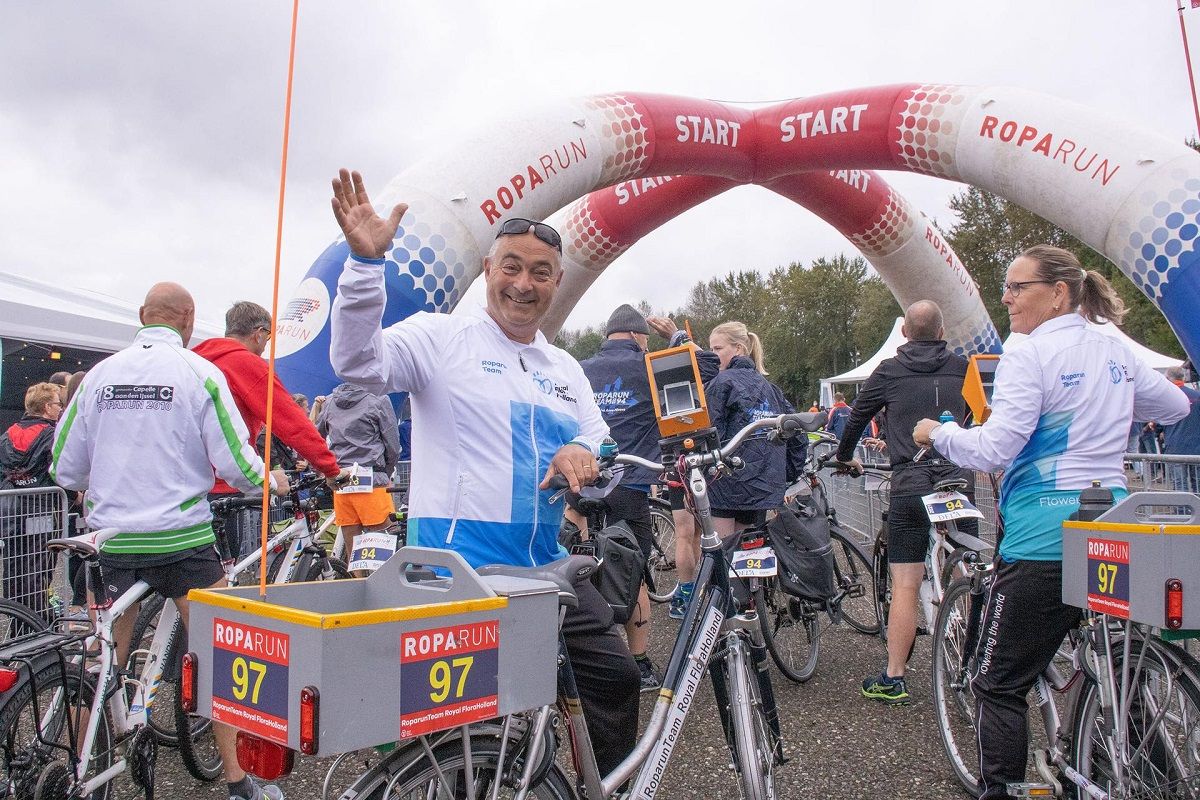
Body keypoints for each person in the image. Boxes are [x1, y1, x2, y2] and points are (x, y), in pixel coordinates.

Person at [327, 169, 639, 775]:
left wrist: (582, 451)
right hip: (457, 575)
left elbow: (597, 436)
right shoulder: (440, 338)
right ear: (489, 271)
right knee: (468, 743)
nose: (524, 283)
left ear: (556, 282)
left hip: (543, 575)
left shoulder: (564, 367)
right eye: (512, 267)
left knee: (618, 679)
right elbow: (357, 363)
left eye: (540, 272)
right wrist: (364, 269)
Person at [912, 245, 1188, 800]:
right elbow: (1175, 408)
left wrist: (935, 434)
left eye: (1018, 287)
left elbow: (997, 447)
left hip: (1046, 534)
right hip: (1113, 522)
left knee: (1000, 682)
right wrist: (1105, 407)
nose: (1006, 298)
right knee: (1121, 671)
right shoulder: (1113, 347)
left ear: (1058, 292)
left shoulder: (1028, 350)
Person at [51, 282, 290, 800]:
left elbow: (64, 465)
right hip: (182, 541)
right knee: (223, 652)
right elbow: (234, 459)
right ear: (188, 319)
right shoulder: (200, 374)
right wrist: (269, 479)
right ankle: (237, 781)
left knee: (102, 658)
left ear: (142, 316)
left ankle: (75, 762)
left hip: (112, 540)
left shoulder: (98, 377)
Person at [833, 300, 975, 705]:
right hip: (957, 479)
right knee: (974, 570)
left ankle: (895, 676)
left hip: (910, 482)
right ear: (943, 329)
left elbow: (857, 417)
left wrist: (844, 456)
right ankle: (977, 660)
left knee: (906, 585)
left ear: (905, 333)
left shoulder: (890, 371)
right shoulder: (964, 368)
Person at [193, 301, 343, 559]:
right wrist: (329, 468)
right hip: (221, 483)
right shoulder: (246, 364)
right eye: (268, 337)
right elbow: (291, 422)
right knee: (217, 575)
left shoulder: (194, 360)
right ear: (259, 333)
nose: (265, 346)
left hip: (180, 482)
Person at [644, 315, 720, 619]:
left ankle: (689, 594)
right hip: (701, 453)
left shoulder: (653, 374)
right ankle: (698, 592)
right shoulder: (705, 376)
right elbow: (709, 361)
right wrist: (678, 336)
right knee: (701, 530)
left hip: (677, 456)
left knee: (688, 533)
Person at [705, 321, 807, 538]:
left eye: (718, 349)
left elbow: (709, 434)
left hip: (725, 485)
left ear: (739, 349)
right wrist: (786, 474)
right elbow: (797, 431)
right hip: (761, 485)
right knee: (750, 556)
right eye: (711, 349)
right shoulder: (771, 388)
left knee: (723, 555)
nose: (712, 355)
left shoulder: (721, 383)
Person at [315, 382, 400, 566]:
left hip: (342, 482)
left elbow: (315, 436)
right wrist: (386, 472)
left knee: (352, 549)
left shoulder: (329, 402)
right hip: (372, 479)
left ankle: (356, 584)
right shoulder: (378, 400)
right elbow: (392, 445)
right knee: (383, 545)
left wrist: (327, 469)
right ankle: (384, 591)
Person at [0, 382, 64, 617]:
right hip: (44, 509)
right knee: (40, 567)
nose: (60, 409)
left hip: (13, 511)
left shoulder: (9, 433)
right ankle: (39, 626)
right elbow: (60, 471)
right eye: (58, 404)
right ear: (47, 407)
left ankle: (17, 622)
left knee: (14, 568)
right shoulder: (52, 434)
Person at [1163, 365, 1200, 491]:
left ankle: (1181, 510)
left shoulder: (1167, 397)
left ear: (1168, 379)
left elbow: (1160, 421)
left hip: (1175, 447)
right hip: (1196, 447)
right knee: (1198, 483)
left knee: (1179, 484)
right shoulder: (1197, 396)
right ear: (1183, 377)